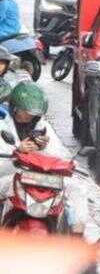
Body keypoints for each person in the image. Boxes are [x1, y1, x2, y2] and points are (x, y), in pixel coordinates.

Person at [0, 82, 88, 234]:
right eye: (25, 111)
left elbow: (61, 156)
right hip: (13, 176)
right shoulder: (3, 126)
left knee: (77, 189)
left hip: (43, 179)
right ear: (15, 108)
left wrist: (44, 147)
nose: (29, 116)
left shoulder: (43, 127)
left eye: (34, 113)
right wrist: (17, 150)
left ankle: (77, 236)